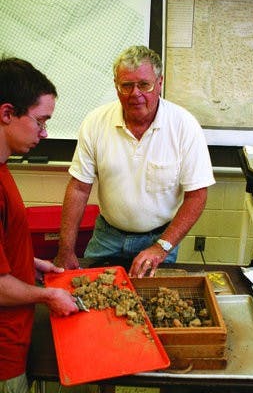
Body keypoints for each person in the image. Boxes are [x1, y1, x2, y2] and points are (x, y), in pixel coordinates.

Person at [55, 45, 215, 277]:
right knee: (95, 299)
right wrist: (66, 248)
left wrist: (161, 248)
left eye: (144, 85)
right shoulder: (95, 121)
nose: (135, 94)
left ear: (160, 83)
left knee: (152, 308)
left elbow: (197, 196)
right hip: (107, 236)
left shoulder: (185, 126)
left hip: (160, 238)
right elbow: (79, 188)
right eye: (126, 85)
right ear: (116, 86)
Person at [0, 57, 79, 393]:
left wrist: (30, 261)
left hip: (17, 334)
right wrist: (50, 296)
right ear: (6, 114)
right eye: (41, 121)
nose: (45, 133)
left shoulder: (4, 169)